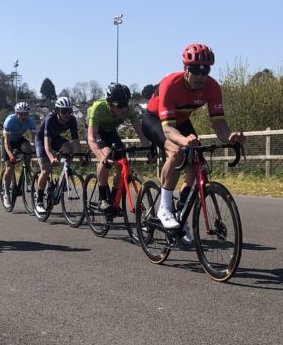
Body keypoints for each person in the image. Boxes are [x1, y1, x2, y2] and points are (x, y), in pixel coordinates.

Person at [142, 43, 244, 239]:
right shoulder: (170, 84)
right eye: (195, 70)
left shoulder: (212, 87)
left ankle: (181, 212)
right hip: (155, 120)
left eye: (205, 70)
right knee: (176, 152)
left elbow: (220, 124)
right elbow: (168, 129)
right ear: (185, 69)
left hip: (181, 120)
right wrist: (183, 139)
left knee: (197, 162)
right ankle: (164, 208)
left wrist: (229, 137)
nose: (200, 75)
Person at [86, 84, 149, 212]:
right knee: (107, 155)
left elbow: (141, 135)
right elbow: (91, 139)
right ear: (109, 104)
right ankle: (102, 199)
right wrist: (102, 157)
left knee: (121, 164)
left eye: (126, 104)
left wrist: (149, 150)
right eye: (120, 105)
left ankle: (114, 200)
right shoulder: (98, 108)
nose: (124, 108)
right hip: (96, 132)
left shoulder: (129, 109)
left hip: (110, 132)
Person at [33, 96, 82, 215]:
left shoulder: (72, 120)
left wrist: (80, 156)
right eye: (64, 111)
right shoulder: (50, 119)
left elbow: (75, 140)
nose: (67, 114)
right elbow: (46, 145)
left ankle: (63, 179)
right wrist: (52, 158)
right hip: (42, 140)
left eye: (69, 111)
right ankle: (39, 200)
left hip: (56, 138)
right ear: (57, 111)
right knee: (46, 169)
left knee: (69, 148)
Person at [1, 101, 37, 204]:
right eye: (21, 114)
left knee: (28, 148)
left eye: (26, 114)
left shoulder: (30, 121)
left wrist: (37, 150)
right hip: (8, 142)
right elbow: (7, 143)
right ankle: (6, 192)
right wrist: (11, 155)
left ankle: (26, 171)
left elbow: (35, 139)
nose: (23, 116)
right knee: (10, 167)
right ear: (16, 113)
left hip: (19, 140)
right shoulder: (9, 121)